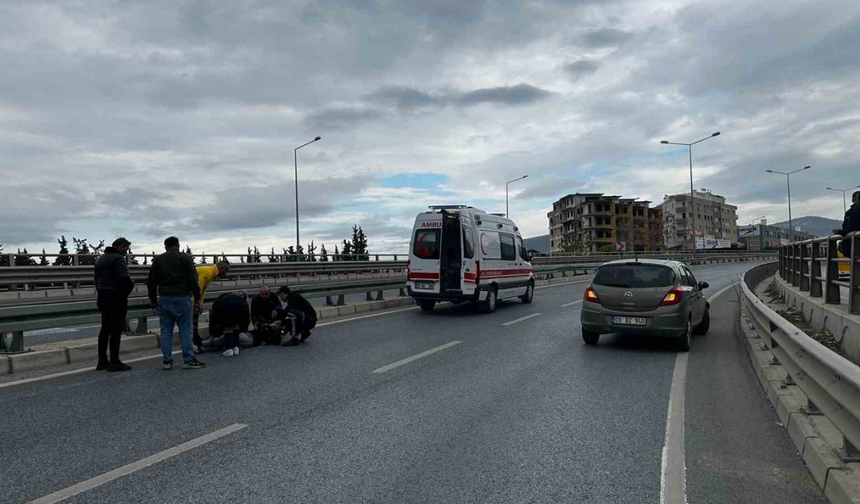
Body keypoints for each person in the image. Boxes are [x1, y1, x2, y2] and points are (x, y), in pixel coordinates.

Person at [146, 236, 206, 370]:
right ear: (178, 245)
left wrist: (153, 300)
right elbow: (193, 279)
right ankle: (188, 360)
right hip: (182, 298)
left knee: (166, 330)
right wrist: (197, 299)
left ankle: (167, 361)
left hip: (165, 298)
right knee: (185, 330)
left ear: (165, 246)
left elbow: (151, 281)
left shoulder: (159, 260)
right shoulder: (185, 258)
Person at [94, 237, 134, 372]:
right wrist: (129, 288)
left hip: (102, 296)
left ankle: (102, 360)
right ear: (119, 246)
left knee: (104, 328)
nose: (126, 252)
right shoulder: (118, 259)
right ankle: (114, 361)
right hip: (116, 297)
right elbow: (123, 278)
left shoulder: (100, 259)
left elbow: (96, 280)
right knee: (116, 330)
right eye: (125, 249)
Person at [192, 260, 231, 353]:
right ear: (221, 269)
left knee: (194, 321)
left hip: (189, 295)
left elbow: (203, 290)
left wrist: (200, 303)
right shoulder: (208, 272)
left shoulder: (212, 273)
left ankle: (196, 340)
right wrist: (195, 304)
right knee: (191, 322)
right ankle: (193, 343)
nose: (226, 274)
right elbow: (198, 288)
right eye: (226, 271)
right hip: (184, 294)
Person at [208, 291, 250, 357]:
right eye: (238, 294)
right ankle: (236, 347)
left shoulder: (224, 300)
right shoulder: (243, 302)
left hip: (224, 308)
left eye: (241, 295)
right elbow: (246, 320)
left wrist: (213, 333)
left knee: (228, 327)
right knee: (234, 326)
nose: (239, 295)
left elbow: (213, 320)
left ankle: (229, 349)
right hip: (232, 313)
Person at [834, 190, 860, 258]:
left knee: (855, 265)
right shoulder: (851, 212)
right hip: (853, 244)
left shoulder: (853, 211)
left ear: (853, 200)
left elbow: (851, 227)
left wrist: (840, 232)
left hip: (853, 245)